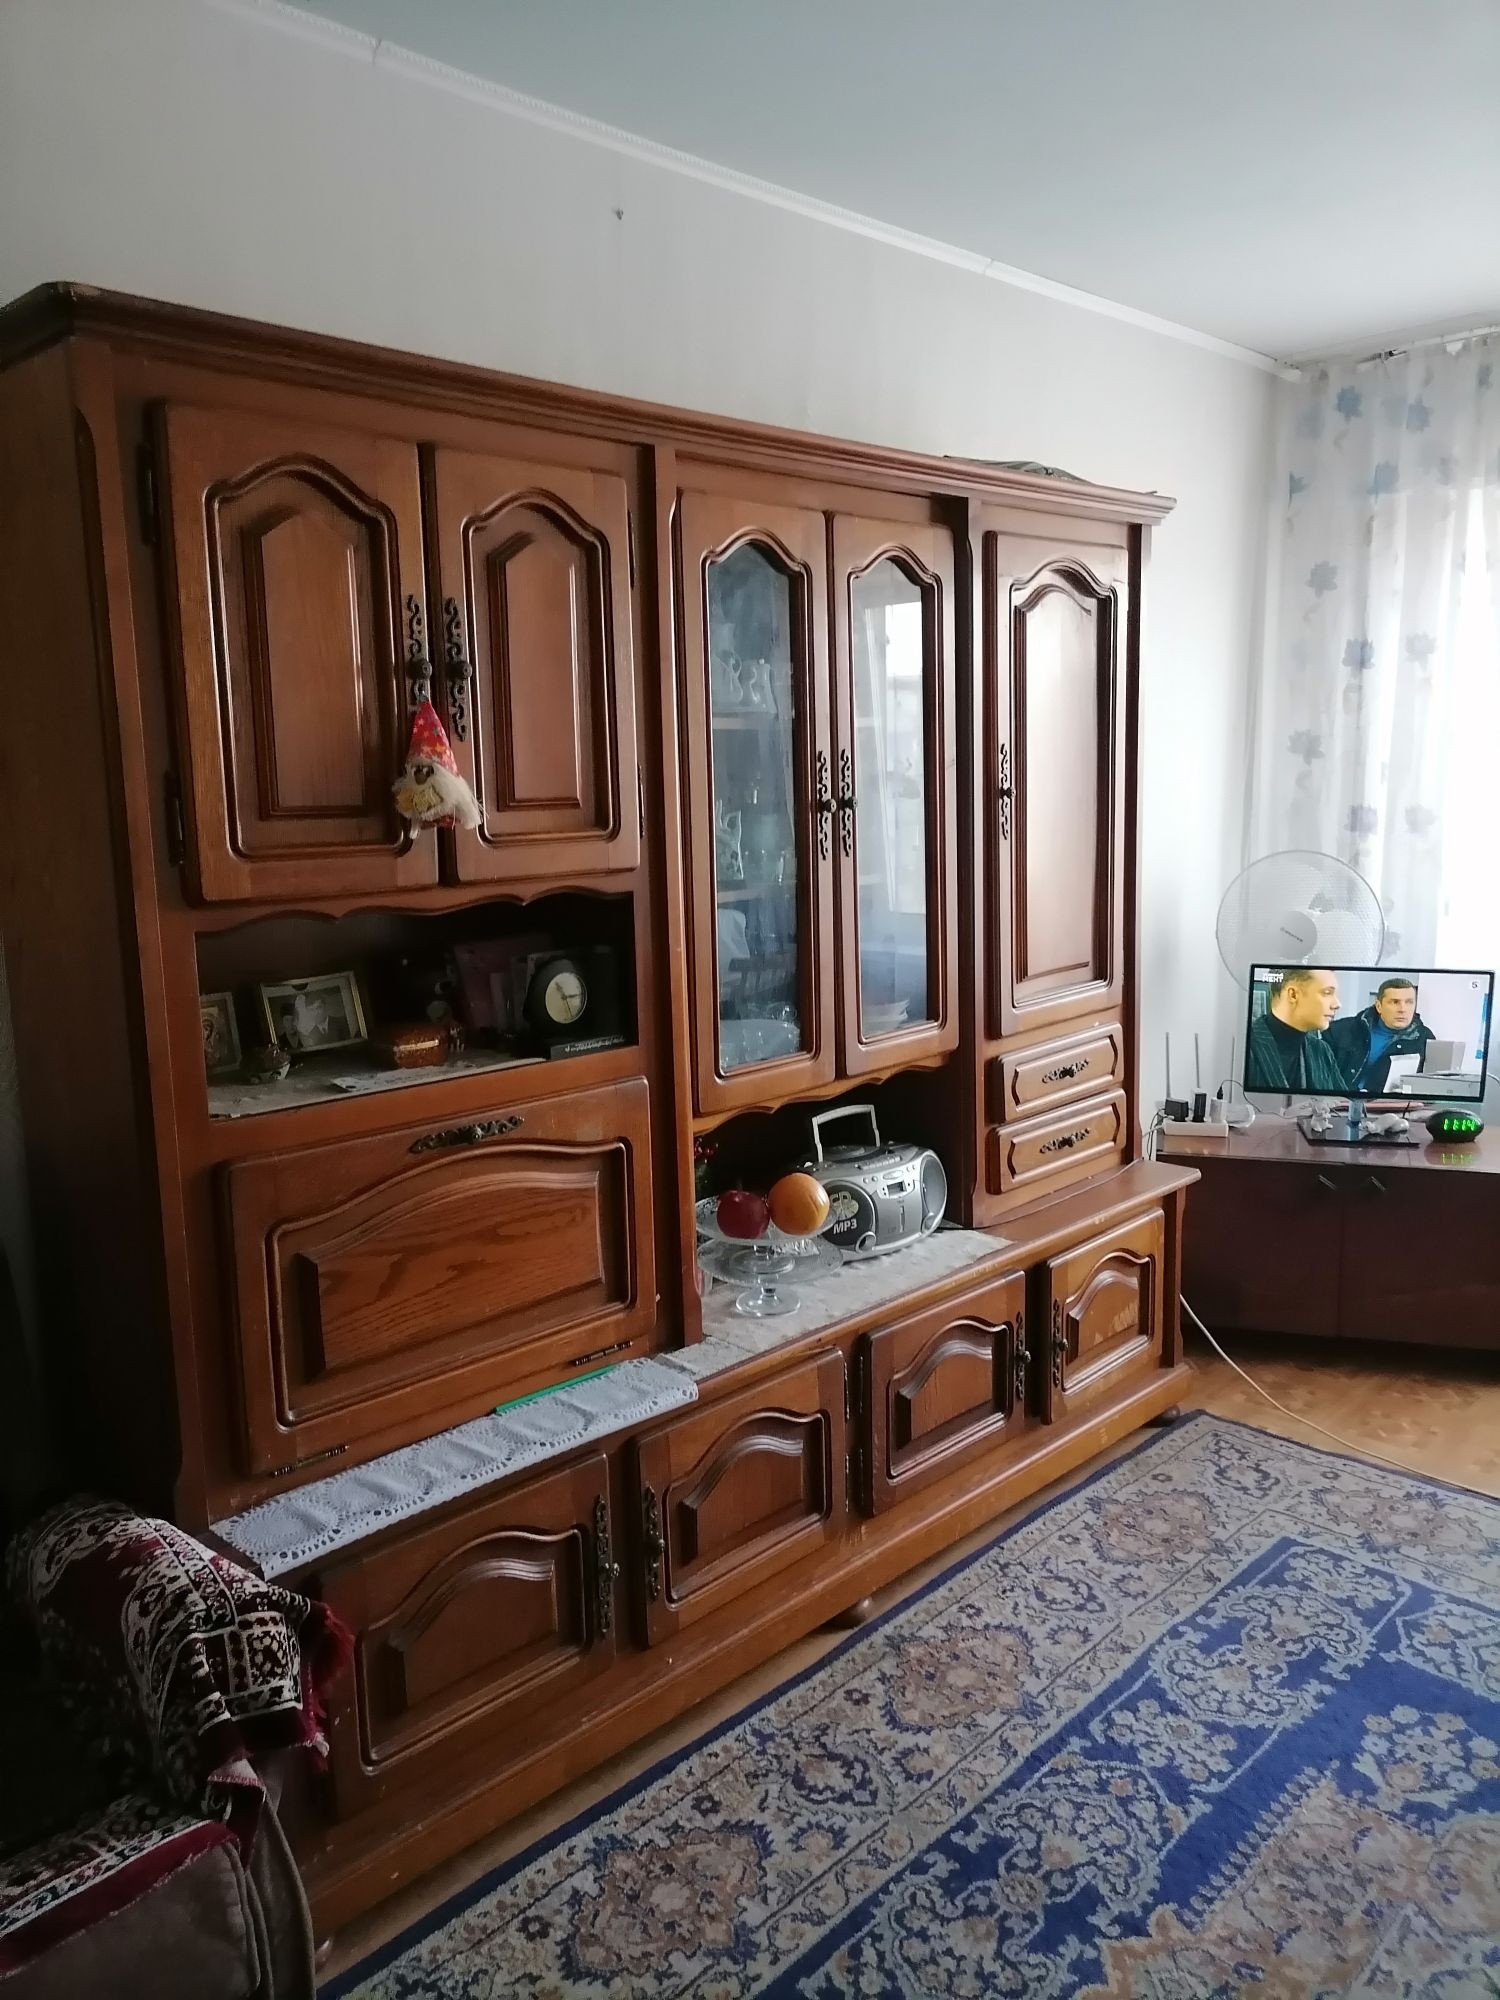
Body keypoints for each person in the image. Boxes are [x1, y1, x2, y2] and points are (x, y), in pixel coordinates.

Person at [1245, 966, 1347, 1092]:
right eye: (1327, 993)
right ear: (1293, 995)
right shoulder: (1246, 1044)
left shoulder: (1322, 1050)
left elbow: (1343, 1101)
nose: (1337, 1004)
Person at [1327, 976, 1435, 1094]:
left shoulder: (1424, 1039)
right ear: (1379, 1006)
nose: (1402, 1009)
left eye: (1409, 1002)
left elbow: (1430, 1086)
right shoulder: (1340, 1030)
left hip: (1391, 1103)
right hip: (1338, 1100)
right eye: (1395, 1002)